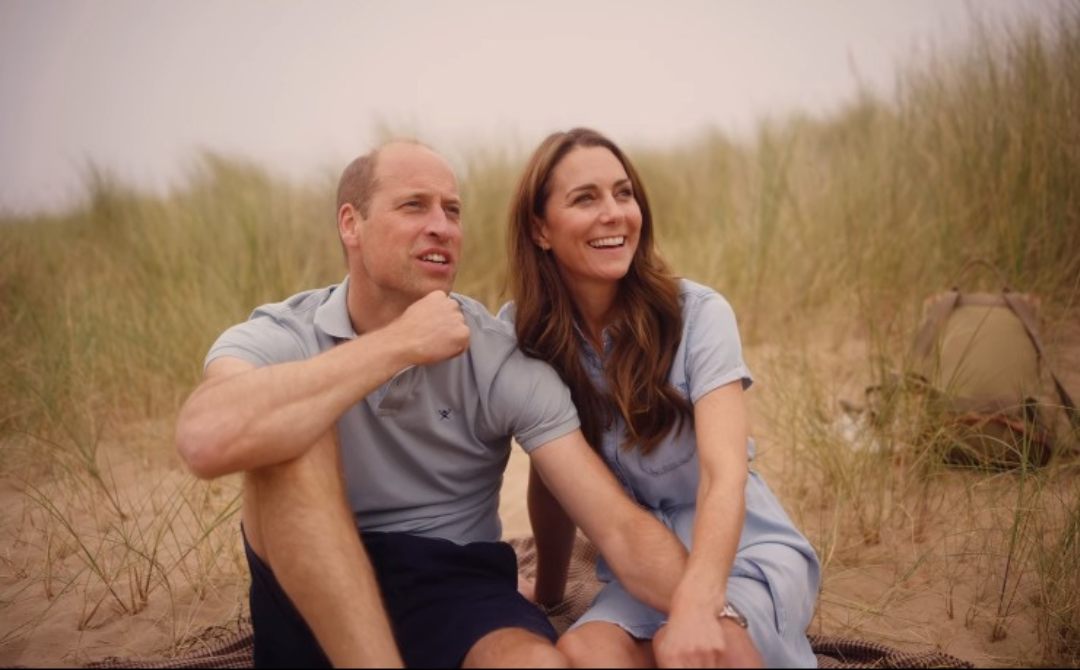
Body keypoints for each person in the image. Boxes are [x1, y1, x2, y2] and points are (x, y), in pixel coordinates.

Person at [174, 139, 695, 669]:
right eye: (414, 205)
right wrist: (397, 345)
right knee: (292, 431)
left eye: (453, 210)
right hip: (309, 583)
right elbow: (204, 439)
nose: (441, 226)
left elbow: (617, 529)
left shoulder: (497, 356)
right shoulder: (287, 332)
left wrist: (719, 609)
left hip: (452, 585)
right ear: (351, 224)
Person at [501, 127, 821, 668]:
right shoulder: (527, 333)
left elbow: (726, 475)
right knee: (582, 651)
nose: (614, 213)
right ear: (540, 228)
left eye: (623, 193)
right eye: (586, 198)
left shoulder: (698, 314)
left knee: (686, 647)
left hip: (740, 552)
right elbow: (551, 475)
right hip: (640, 567)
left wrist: (699, 604)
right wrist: (552, 594)